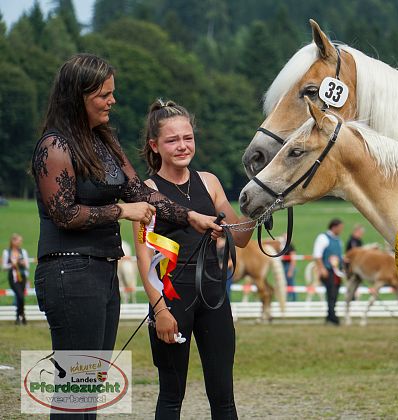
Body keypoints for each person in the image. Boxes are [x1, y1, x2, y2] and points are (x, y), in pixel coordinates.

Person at [31, 54, 220, 408]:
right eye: (104, 95)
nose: (112, 101)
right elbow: (64, 214)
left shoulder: (104, 142)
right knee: (75, 390)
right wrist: (121, 211)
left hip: (103, 272)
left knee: (90, 390)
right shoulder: (54, 146)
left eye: (111, 93)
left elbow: (142, 193)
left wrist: (190, 216)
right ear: (79, 96)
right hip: (68, 272)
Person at [134, 99, 254, 419]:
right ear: (154, 145)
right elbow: (144, 258)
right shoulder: (147, 191)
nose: (182, 146)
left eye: (187, 138)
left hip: (214, 295)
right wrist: (159, 310)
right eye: (172, 140)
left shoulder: (210, 182)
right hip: (172, 298)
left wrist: (258, 204)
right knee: (172, 397)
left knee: (223, 397)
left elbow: (240, 236)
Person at [313, 218, 344, 325]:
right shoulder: (323, 238)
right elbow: (317, 255)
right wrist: (322, 269)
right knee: (331, 294)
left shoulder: (338, 240)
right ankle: (333, 318)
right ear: (334, 227)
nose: (341, 230)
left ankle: (330, 316)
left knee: (335, 294)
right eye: (340, 228)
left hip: (337, 272)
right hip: (327, 270)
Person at [2, 234, 29, 324]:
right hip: (13, 278)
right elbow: (4, 267)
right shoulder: (7, 252)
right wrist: (12, 265)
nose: (20, 242)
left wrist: (22, 263)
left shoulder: (23, 251)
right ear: (13, 242)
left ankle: (19, 317)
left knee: (21, 297)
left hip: (22, 277)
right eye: (19, 240)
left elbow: (27, 265)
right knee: (20, 296)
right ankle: (22, 315)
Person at [281, 233, 297, 301]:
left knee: (291, 284)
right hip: (284, 266)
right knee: (286, 284)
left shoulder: (290, 246)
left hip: (289, 266)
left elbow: (293, 259)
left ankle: (293, 299)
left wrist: (291, 270)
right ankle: (287, 299)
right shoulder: (283, 246)